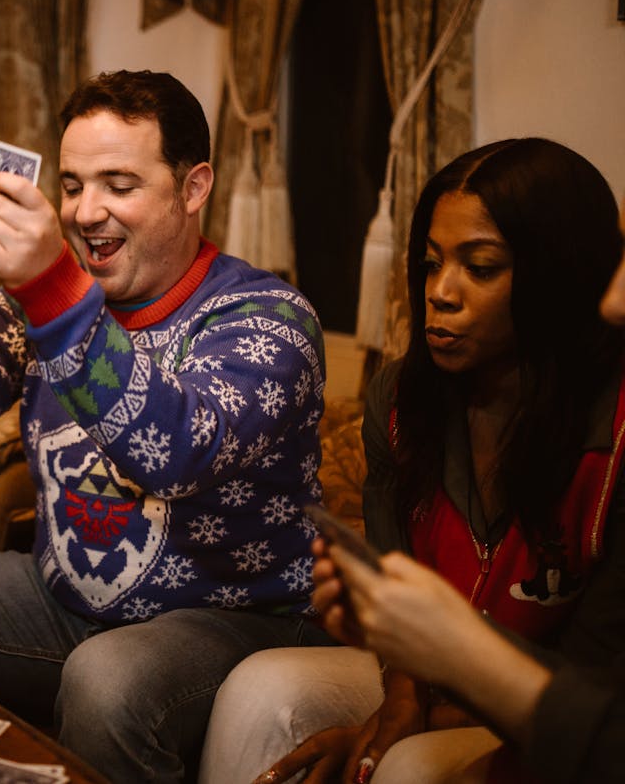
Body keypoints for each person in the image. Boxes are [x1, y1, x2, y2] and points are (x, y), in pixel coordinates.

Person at [0, 70, 332, 783]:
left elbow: (177, 450)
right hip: (62, 600)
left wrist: (54, 292)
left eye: (118, 185)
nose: (85, 212)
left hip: (229, 616)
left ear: (193, 188)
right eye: (71, 185)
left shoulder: (269, 320)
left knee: (108, 676)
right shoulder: (39, 305)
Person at [198, 138, 625, 784]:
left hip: (549, 699)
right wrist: (398, 699)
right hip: (423, 672)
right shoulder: (399, 399)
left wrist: (396, 732)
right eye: (430, 263)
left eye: (480, 267)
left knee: (410, 766)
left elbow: (589, 691)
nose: (441, 293)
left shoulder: (614, 439)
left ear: (558, 275)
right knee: (258, 693)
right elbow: (389, 577)